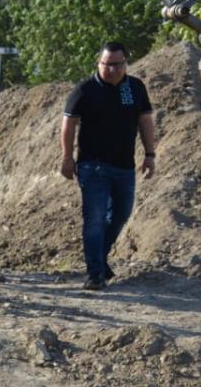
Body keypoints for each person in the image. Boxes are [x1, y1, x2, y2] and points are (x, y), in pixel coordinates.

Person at [60, 42, 156, 290]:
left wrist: (150, 153)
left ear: (126, 63)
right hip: (93, 166)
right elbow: (68, 124)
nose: (112, 69)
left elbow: (145, 120)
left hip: (125, 166)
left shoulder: (134, 87)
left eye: (117, 64)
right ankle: (95, 274)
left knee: (121, 214)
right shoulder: (85, 89)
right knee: (95, 219)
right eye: (107, 64)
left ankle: (99, 260)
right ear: (98, 63)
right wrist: (67, 158)